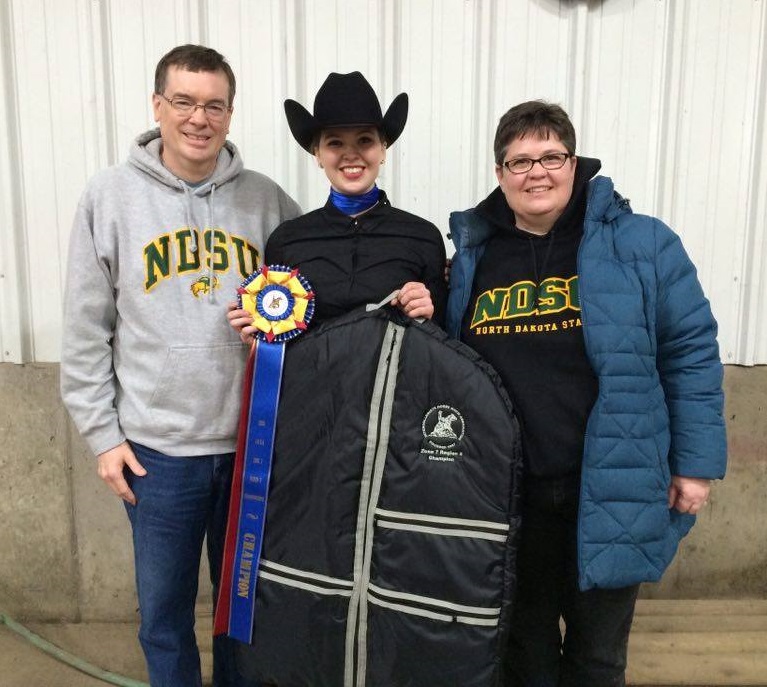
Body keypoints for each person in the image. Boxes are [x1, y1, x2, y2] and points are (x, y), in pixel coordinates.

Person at [446, 100, 727, 686]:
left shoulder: (643, 245)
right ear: (499, 174)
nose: (537, 173)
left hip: (610, 484)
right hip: (508, 491)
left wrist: (694, 467)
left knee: (597, 657)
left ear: (576, 163)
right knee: (523, 654)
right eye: (519, 161)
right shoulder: (472, 257)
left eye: (552, 156)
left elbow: (690, 353)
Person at [60, 44, 300, 687]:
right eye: (185, 102)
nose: (200, 118)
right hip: (157, 453)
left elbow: (314, 299)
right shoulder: (109, 198)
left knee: (242, 613)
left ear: (229, 112)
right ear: (158, 105)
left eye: (214, 104)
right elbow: (86, 329)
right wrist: (103, 437)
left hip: (252, 446)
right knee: (164, 616)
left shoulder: (267, 201)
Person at [227, 71, 446, 336]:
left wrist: (429, 312)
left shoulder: (422, 237)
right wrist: (257, 335)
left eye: (365, 140)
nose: (350, 154)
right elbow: (279, 340)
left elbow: (444, 340)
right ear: (317, 153)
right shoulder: (287, 241)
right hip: (310, 378)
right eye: (335, 143)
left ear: (383, 149)